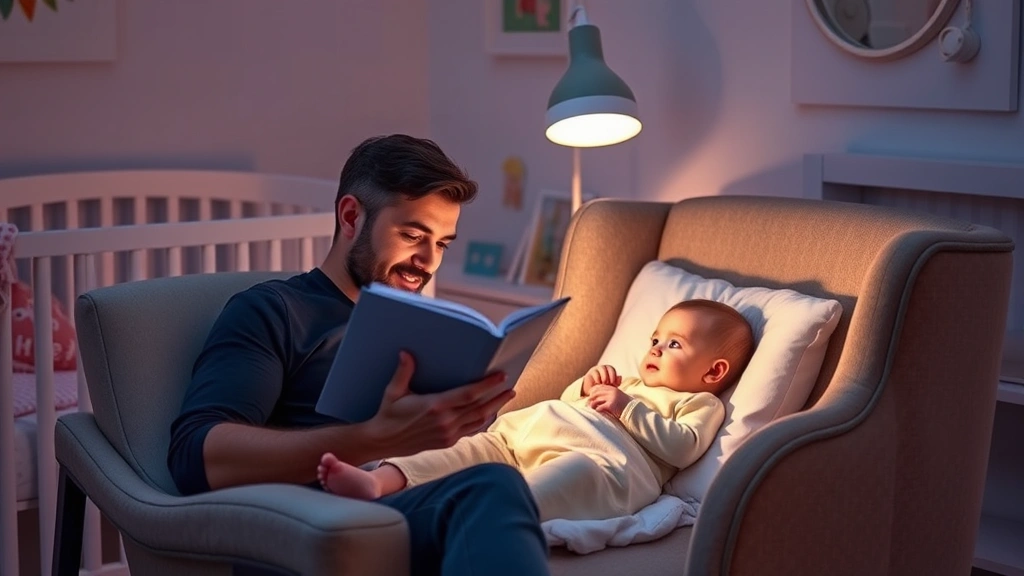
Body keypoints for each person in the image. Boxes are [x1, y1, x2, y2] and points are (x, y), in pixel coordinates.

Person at [167, 134, 551, 576]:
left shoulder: (427, 331)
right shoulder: (276, 310)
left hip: (400, 511)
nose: (427, 261)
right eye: (412, 235)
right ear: (351, 217)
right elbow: (192, 458)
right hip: (307, 532)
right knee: (491, 489)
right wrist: (375, 438)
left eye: (442, 244)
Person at [317, 299, 755, 524]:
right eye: (656, 339)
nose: (656, 348)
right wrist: (585, 387)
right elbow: (568, 406)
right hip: (523, 437)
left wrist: (627, 409)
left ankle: (480, 514)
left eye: (674, 344)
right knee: (463, 451)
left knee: (559, 481)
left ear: (714, 371)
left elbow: (682, 449)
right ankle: (378, 481)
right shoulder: (628, 381)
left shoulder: (700, 403)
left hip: (602, 463)